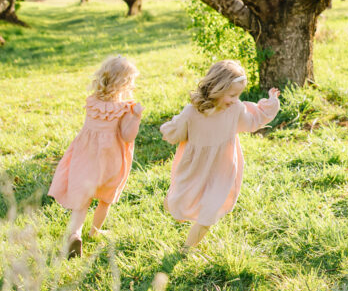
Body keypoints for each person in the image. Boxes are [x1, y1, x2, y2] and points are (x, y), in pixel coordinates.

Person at [160, 60, 279, 249]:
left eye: (238, 95)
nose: (235, 99)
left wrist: (270, 104)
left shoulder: (235, 110)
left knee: (209, 212)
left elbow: (252, 121)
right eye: (232, 95)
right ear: (217, 87)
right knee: (181, 204)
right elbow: (177, 133)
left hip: (221, 168)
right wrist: (170, 129)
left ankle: (186, 250)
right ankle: (172, 201)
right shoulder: (192, 112)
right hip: (195, 166)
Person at [48, 55, 144, 258]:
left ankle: (75, 234)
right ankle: (95, 231)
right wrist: (135, 116)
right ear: (123, 83)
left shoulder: (92, 102)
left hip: (85, 158)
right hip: (110, 161)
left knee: (82, 202)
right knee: (105, 199)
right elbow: (128, 136)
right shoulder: (124, 109)